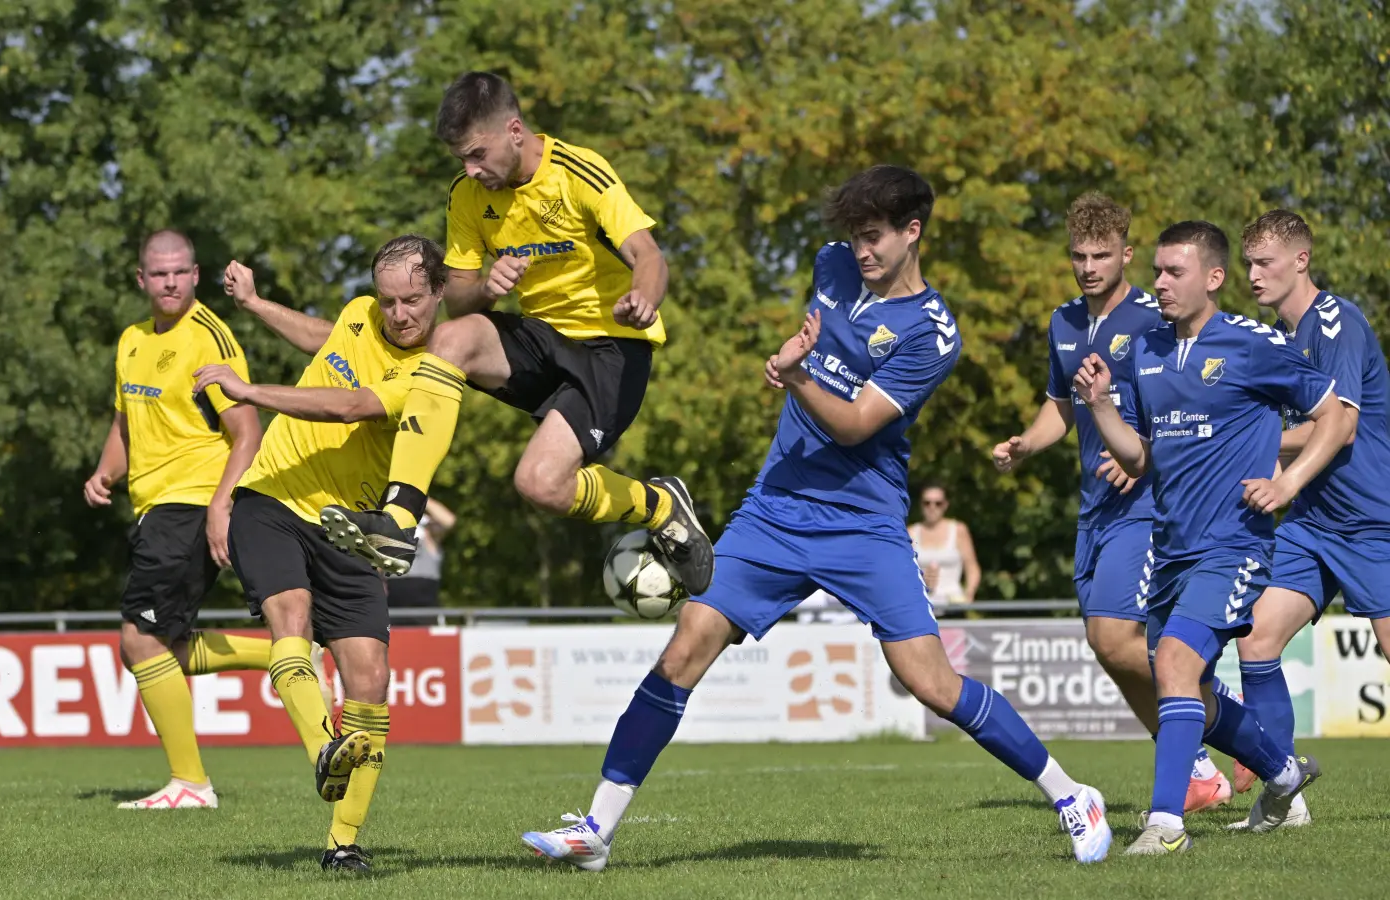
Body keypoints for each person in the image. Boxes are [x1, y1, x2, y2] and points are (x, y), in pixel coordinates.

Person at [521, 166, 1113, 870]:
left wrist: (796, 373)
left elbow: (859, 425)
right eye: (853, 237)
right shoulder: (830, 266)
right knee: (687, 643)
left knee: (931, 682)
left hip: (862, 522)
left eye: (874, 238)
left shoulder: (933, 333)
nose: (859, 251)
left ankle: (1072, 793)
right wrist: (796, 362)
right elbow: (816, 340)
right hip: (775, 507)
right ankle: (597, 831)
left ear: (912, 231)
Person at [310, 71, 713, 597]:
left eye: (478, 154)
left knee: (539, 484)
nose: (471, 170)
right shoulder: (467, 195)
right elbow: (457, 295)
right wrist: (486, 288)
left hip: (611, 347)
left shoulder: (578, 172)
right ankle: (400, 521)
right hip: (540, 337)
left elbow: (648, 255)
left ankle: (660, 506)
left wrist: (644, 297)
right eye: (461, 159)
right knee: (449, 339)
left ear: (515, 131)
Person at [1073, 220, 1349, 854]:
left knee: (1172, 662)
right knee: (1186, 685)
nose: (1160, 284)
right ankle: (1282, 774)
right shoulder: (1145, 349)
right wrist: (1100, 406)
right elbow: (1138, 459)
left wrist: (1289, 483)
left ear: (1213, 278)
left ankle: (1165, 825)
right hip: (1168, 549)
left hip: (1234, 546)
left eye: (1175, 272)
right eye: (1158, 272)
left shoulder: (1251, 343)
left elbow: (1335, 415)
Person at [191, 235, 444, 873]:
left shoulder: (430, 373)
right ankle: (323, 749)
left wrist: (251, 391)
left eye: (412, 299)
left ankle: (342, 845)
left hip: (351, 527)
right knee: (292, 617)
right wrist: (254, 304)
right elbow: (326, 339)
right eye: (388, 300)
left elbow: (348, 405)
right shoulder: (362, 316)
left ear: (439, 293)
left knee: (370, 680)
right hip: (272, 498)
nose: (399, 313)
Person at [992, 193, 1232, 812]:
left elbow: (1186, 398)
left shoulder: (1157, 318)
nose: (1089, 265)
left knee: (1111, 636)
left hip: (1148, 501)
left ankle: (1209, 726)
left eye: (1103, 254)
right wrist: (1027, 445)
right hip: (1093, 507)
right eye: (1079, 254)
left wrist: (1143, 454)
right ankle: (1202, 752)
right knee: (1111, 644)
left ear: (1127, 253)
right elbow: (1062, 407)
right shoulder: (1064, 322)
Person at [82, 229, 273, 810]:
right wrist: (104, 474)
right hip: (151, 505)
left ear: (195, 276)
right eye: (158, 273)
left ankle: (190, 783)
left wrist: (221, 506)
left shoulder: (211, 338)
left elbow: (247, 434)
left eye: (180, 272)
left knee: (139, 639)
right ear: (141, 280)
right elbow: (125, 424)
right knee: (162, 640)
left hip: (192, 502)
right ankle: (289, 653)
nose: (169, 281)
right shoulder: (132, 341)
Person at [1225, 210, 1390, 829]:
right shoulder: (1276, 339)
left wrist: (1281, 472)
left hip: (1373, 522)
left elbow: (1340, 426)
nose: (1252, 275)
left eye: (1264, 263)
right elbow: (1275, 427)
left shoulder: (1337, 321)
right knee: (1256, 638)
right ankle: (1284, 794)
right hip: (1314, 524)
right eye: (1247, 263)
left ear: (1301, 261)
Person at [907, 483, 980, 611]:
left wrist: (969, 593)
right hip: (921, 606)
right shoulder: (911, 532)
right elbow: (903, 572)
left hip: (953, 605)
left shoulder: (958, 530)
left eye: (938, 503)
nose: (932, 507)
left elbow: (972, 567)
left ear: (945, 505)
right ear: (921, 505)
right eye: (927, 503)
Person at [386, 499, 456, 613]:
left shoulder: (428, 532)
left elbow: (449, 521)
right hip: (393, 600)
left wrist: (418, 496)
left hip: (424, 603)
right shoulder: (389, 528)